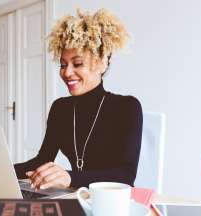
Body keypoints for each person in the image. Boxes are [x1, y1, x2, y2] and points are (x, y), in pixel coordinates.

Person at [14, 8, 143, 190]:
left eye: (78, 63)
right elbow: (42, 160)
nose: (66, 72)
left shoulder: (127, 107)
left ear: (102, 63)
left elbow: (125, 176)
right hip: (76, 196)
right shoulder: (60, 108)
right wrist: (0, 171)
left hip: (111, 201)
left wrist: (70, 177)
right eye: (63, 64)